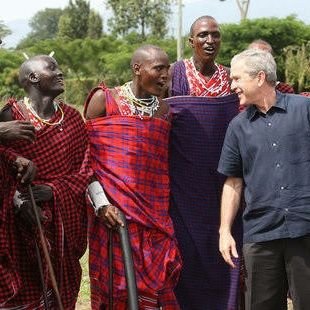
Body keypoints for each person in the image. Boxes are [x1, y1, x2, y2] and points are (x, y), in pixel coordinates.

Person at [84, 44, 182, 310]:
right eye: (158, 69)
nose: (165, 76)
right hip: (114, 214)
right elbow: (85, 161)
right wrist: (101, 204)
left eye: (167, 70)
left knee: (157, 285)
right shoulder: (105, 100)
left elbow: (159, 164)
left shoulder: (163, 110)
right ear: (137, 69)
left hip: (155, 216)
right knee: (116, 286)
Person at [218, 48, 310, 310]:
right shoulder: (237, 126)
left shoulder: (304, 110)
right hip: (260, 234)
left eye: (237, 79)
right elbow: (233, 182)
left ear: (259, 77)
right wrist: (224, 230)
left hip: (306, 228)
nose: (232, 85)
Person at [0, 54, 91, 309]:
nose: (61, 72)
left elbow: (85, 170)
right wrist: (18, 200)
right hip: (22, 226)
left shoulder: (73, 119)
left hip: (63, 227)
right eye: (52, 67)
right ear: (33, 78)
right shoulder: (11, 115)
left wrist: (51, 190)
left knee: (61, 293)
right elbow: (2, 166)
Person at [167, 15, 242, 310]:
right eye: (203, 35)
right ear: (191, 41)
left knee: (226, 244)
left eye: (215, 35)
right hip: (184, 183)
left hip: (226, 181)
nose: (210, 41)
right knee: (188, 248)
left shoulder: (230, 77)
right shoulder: (175, 74)